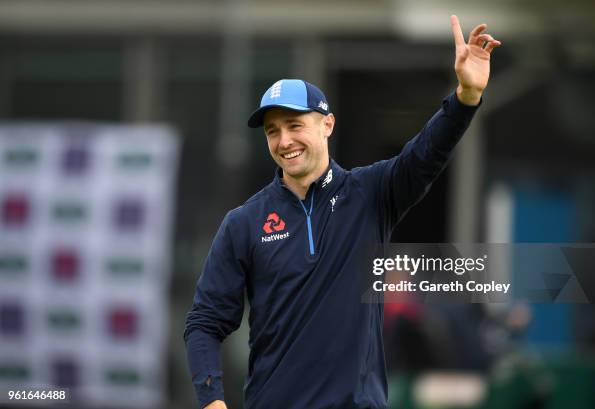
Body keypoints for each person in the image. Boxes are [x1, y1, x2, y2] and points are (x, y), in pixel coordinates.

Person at [184, 15, 501, 409]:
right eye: (272, 131)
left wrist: (465, 97)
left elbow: (426, 154)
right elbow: (204, 324)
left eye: (295, 125)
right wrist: (212, 401)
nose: (284, 141)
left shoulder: (370, 193)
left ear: (327, 124)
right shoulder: (244, 222)